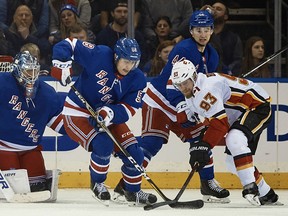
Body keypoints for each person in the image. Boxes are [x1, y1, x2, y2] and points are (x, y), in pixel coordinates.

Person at [112, 10, 230, 204]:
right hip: (159, 101)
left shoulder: (212, 55)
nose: (202, 34)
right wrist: (184, 107)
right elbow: (171, 82)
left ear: (211, 31)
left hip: (182, 103)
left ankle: (207, 184)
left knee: (200, 138)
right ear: (191, 31)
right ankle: (126, 185)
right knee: (151, 144)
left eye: (206, 29)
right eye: (198, 29)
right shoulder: (183, 49)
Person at [51, 37, 157, 206]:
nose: (128, 67)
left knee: (136, 154)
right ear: (116, 56)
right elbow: (70, 44)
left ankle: (132, 191)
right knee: (103, 144)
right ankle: (97, 183)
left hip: (108, 116)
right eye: (126, 61)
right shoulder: (100, 54)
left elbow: (130, 108)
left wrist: (109, 113)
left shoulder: (138, 79)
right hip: (77, 112)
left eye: (133, 63)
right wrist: (61, 63)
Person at [168, 59, 281, 206]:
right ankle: (267, 194)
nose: (183, 88)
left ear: (194, 77)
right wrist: (201, 143)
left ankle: (250, 188)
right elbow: (214, 119)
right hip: (237, 113)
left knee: (235, 139)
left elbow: (220, 125)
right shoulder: (193, 93)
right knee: (233, 164)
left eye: (185, 83)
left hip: (256, 106)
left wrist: (204, 145)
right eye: (179, 85)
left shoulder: (206, 89)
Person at [0, 51, 65, 193]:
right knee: (15, 188)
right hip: (4, 148)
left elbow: (60, 123)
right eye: (28, 71)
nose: (32, 75)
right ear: (17, 71)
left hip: (31, 149)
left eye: (34, 71)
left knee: (38, 187)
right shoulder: (2, 83)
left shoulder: (46, 92)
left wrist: (86, 130)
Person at [201, 1, 243, 75]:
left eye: (218, 9)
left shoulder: (233, 38)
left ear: (225, 16)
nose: (214, 11)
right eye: (213, 8)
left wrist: (226, 71)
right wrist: (200, 14)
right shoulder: (201, 34)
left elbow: (237, 61)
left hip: (224, 78)